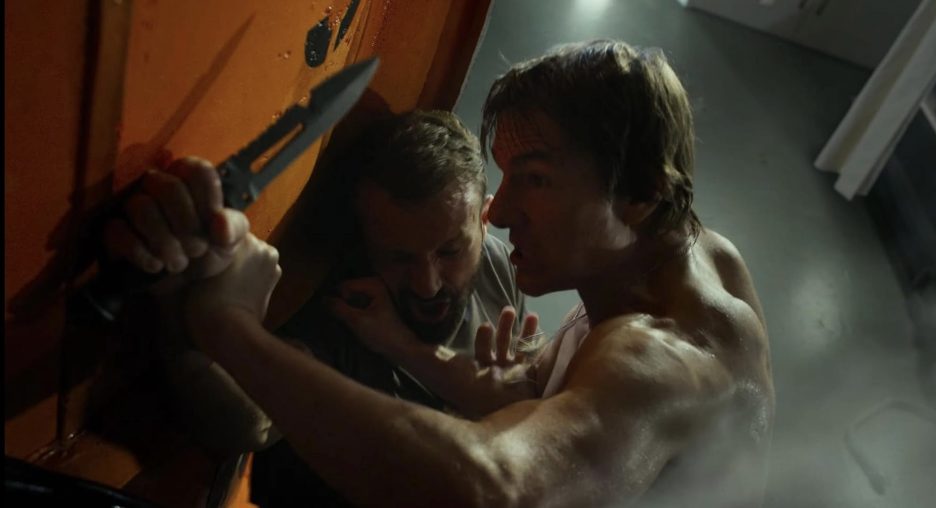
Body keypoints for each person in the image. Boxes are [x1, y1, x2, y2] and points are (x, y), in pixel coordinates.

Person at [182, 39, 774, 507]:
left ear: (641, 193)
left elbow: (495, 492)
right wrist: (404, 346)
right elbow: (532, 394)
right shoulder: (695, 253)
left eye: (535, 179)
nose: (500, 212)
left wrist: (228, 324)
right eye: (506, 175)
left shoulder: (660, 361)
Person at [102, 110, 533, 506]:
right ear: (368, 240)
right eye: (398, 257)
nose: (427, 284)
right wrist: (183, 307)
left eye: (450, 251)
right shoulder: (348, 305)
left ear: (484, 220)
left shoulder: (502, 269)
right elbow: (250, 423)